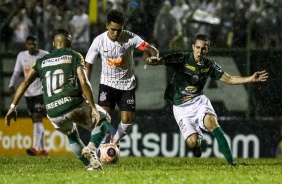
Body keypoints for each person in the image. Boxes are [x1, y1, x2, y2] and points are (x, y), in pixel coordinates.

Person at [146, 34, 268, 166]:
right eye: (197, 47)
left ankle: (231, 163)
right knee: (192, 142)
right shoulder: (182, 58)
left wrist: (250, 79)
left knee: (211, 122)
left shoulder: (209, 66)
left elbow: (230, 79)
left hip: (198, 102)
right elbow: (161, 60)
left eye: (203, 49)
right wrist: (151, 61)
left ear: (207, 50)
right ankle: (197, 145)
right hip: (180, 108)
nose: (200, 51)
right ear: (193, 47)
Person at [5, 29, 111, 171]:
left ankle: (91, 167)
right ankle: (91, 148)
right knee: (105, 119)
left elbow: (24, 83)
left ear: (54, 44)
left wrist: (13, 107)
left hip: (53, 112)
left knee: (72, 135)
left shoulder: (41, 61)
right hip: (73, 104)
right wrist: (92, 108)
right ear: (70, 43)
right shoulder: (74, 56)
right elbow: (84, 81)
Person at [85, 9, 159, 146]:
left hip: (127, 85)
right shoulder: (98, 41)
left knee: (127, 120)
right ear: (107, 25)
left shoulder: (131, 38)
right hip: (107, 84)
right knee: (104, 119)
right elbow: (88, 64)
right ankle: (102, 149)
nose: (116, 33)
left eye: (119, 30)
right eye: (113, 29)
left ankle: (114, 142)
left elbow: (152, 50)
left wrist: (151, 57)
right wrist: (86, 85)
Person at [8, 35, 49, 156]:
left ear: (38, 44)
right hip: (28, 93)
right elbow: (16, 72)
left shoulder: (44, 54)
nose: (32, 46)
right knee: (36, 121)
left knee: (37, 117)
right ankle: (43, 149)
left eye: (34, 44)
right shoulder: (21, 56)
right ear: (26, 45)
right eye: (30, 44)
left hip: (41, 92)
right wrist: (11, 84)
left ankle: (35, 148)